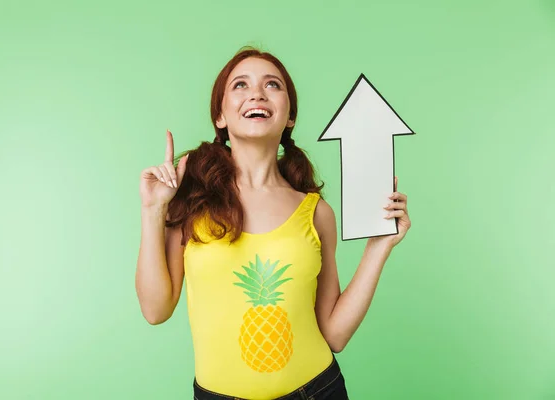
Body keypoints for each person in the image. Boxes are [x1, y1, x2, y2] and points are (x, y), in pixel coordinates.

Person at [136, 46, 412, 400]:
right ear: (220, 116)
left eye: (272, 85)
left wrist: (378, 247)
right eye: (240, 85)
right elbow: (155, 310)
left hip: (316, 391)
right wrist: (152, 210)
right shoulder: (191, 199)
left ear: (290, 116)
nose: (256, 93)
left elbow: (335, 335)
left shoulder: (316, 212)